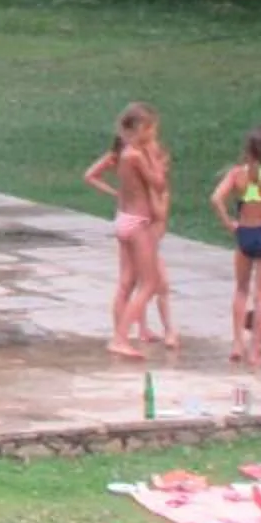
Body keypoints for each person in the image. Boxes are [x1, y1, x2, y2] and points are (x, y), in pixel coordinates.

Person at [83, 102, 175, 359]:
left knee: (126, 283)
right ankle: (121, 337)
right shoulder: (135, 154)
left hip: (123, 219)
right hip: (138, 223)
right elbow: (157, 183)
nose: (155, 135)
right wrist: (154, 162)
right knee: (150, 283)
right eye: (152, 129)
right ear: (142, 129)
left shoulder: (124, 153)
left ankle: (120, 333)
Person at [208, 125, 261, 367]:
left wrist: (230, 224)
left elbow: (215, 198)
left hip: (244, 234)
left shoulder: (237, 174)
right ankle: (254, 350)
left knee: (241, 290)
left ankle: (237, 343)